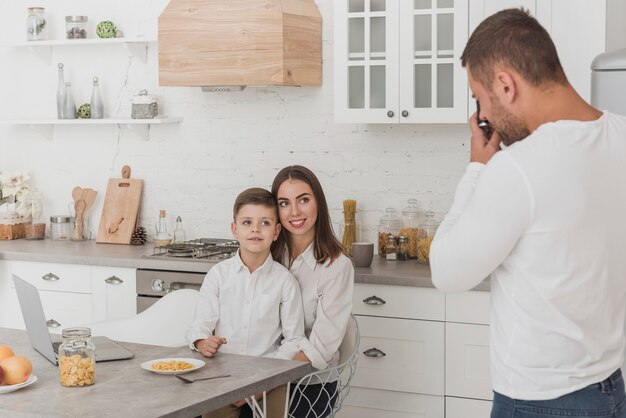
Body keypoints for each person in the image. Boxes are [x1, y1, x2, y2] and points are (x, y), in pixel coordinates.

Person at [429, 8, 626, 418]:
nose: (482, 115)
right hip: (610, 391)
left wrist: (477, 167)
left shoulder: (518, 168)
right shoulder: (621, 134)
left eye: (479, 98)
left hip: (538, 403)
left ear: (505, 84)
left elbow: (446, 272)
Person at [186, 187, 306, 418]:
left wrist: (266, 380)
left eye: (265, 223)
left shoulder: (285, 281)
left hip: (268, 374)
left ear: (276, 231)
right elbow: (200, 324)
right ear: (234, 229)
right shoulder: (218, 275)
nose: (255, 229)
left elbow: (294, 340)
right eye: (247, 222)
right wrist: (202, 342)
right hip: (222, 373)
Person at [258, 165, 354, 418]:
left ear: (318, 202)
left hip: (310, 386)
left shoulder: (336, 266)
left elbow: (320, 347)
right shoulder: (265, 256)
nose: (295, 212)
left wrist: (265, 383)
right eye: (284, 203)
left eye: (303, 200)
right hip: (258, 376)